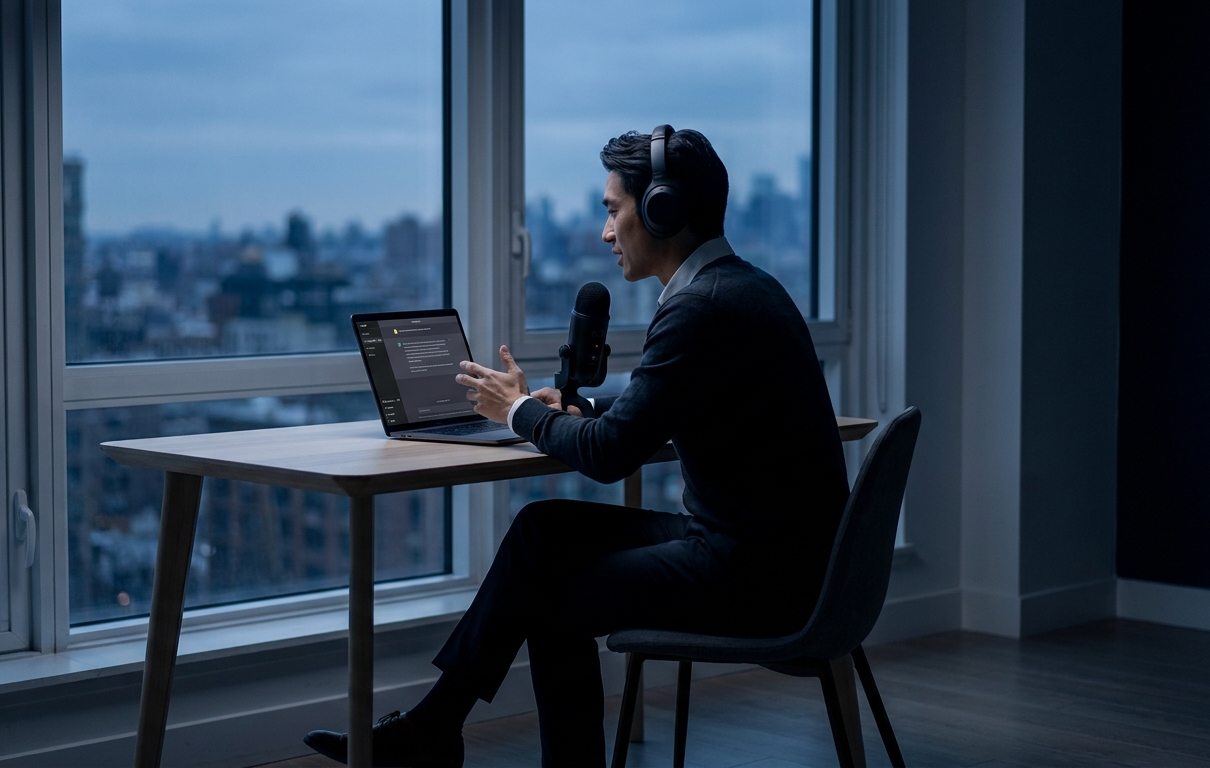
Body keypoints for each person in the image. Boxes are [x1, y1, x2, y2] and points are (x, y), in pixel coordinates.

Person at [305, 128, 848, 767]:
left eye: (613, 210)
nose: (606, 232)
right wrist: (578, 408)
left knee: (555, 606)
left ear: (661, 210)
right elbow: (661, 406)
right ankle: (433, 728)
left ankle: (455, 740)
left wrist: (517, 411)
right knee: (543, 529)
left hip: (757, 578)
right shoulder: (742, 287)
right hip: (785, 559)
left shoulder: (697, 309)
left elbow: (609, 456)